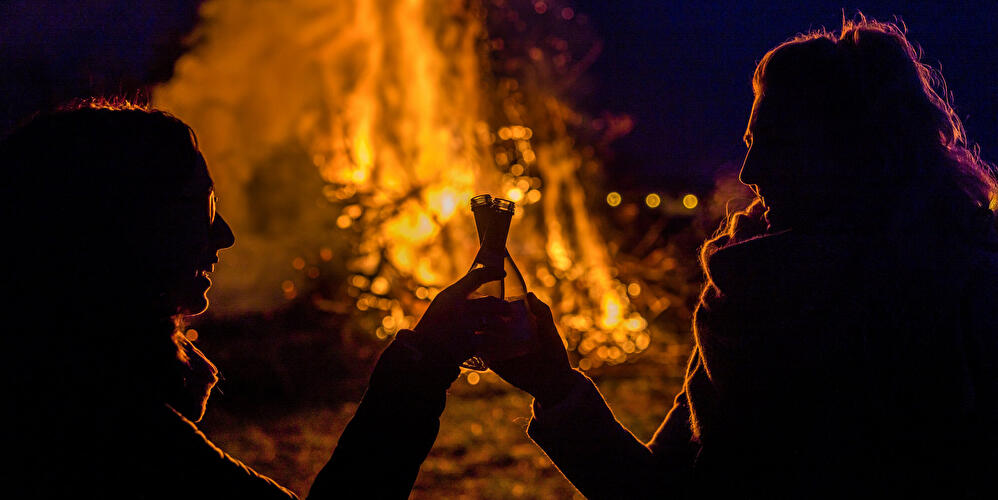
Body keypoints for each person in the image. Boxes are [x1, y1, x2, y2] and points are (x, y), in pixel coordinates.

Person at [488, 17, 998, 499]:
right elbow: (662, 489)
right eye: (752, 142)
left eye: (780, 145)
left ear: (859, 157)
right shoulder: (748, 294)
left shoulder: (964, 299)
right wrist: (554, 385)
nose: (751, 171)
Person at [0, 101, 508, 499]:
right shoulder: (99, 428)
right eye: (201, 207)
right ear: (120, 230)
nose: (223, 236)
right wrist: (425, 362)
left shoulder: (54, 378)